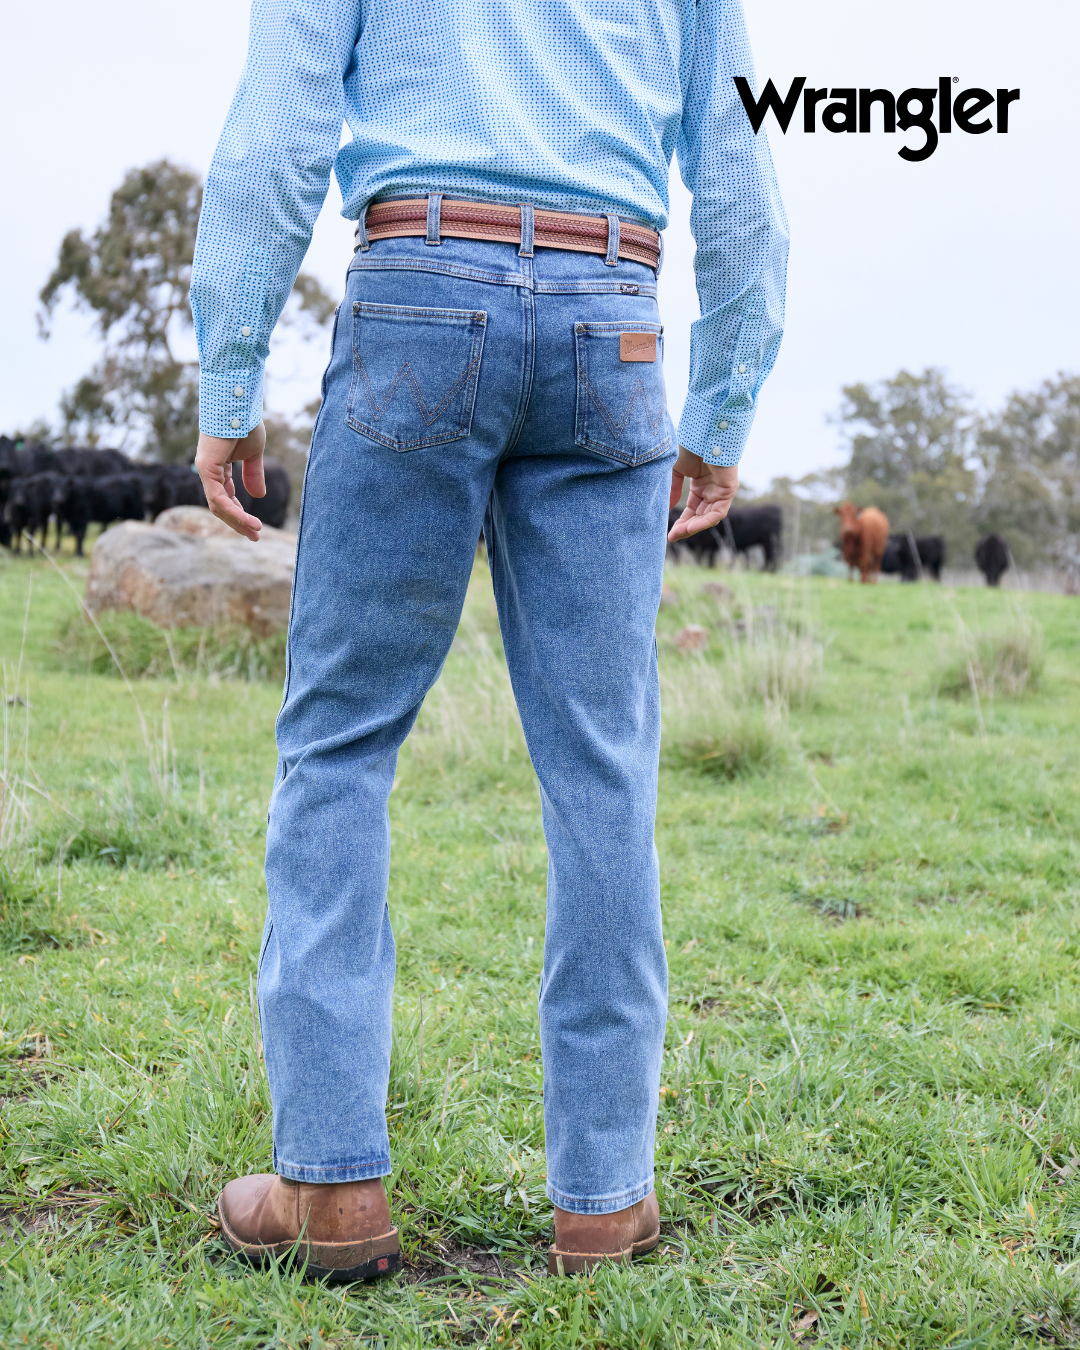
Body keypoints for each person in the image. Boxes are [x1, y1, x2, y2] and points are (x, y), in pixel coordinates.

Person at [192, 0, 787, 1281]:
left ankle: (330, 1191)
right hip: (612, 312)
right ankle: (603, 1202)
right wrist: (723, 400)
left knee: (340, 746)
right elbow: (741, 174)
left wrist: (229, 379)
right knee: (603, 765)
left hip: (419, 293)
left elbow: (277, 138)